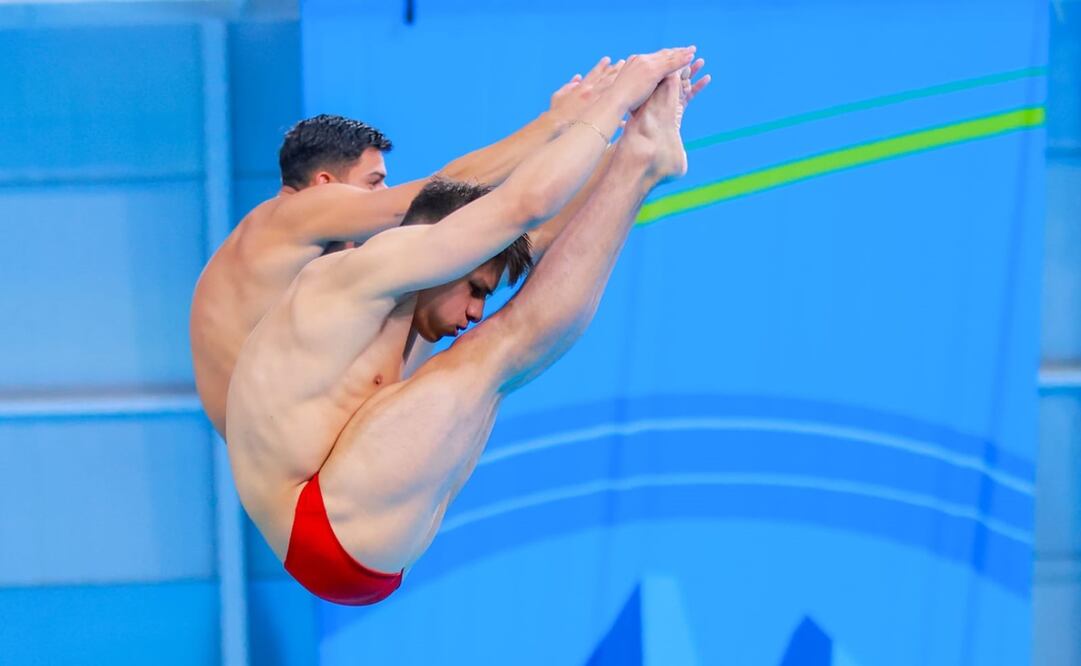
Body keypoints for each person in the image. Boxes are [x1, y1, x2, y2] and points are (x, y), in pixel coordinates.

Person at [226, 47, 709, 605]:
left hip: (354, 532)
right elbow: (524, 203)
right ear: (442, 246)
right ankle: (641, 160)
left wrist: (629, 140)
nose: (475, 309)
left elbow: (543, 237)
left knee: (506, 337)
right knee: (499, 348)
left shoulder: (406, 290)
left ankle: (641, 161)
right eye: (475, 289)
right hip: (320, 526)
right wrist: (622, 97)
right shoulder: (357, 275)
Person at [191, 57, 626, 436]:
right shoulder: (286, 216)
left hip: (297, 429)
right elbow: (443, 190)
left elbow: (515, 236)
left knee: (484, 254)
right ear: (323, 183)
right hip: (279, 433)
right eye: (375, 183)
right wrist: (555, 126)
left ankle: (631, 156)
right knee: (472, 274)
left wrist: (614, 153)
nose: (385, 194)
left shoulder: (331, 262)